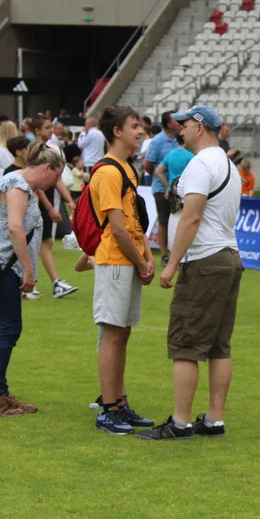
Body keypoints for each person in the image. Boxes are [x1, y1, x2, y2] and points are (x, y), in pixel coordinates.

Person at [138, 105, 242, 440]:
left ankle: (180, 422)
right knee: (219, 346)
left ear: (199, 127)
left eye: (184, 125)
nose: (179, 130)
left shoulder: (201, 164)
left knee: (185, 343)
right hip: (228, 255)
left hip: (206, 260)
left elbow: (191, 218)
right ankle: (214, 419)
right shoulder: (228, 163)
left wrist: (171, 263)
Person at [0, 142, 64, 417]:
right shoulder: (17, 185)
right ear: (46, 168)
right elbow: (15, 228)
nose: (56, 183)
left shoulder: (20, 184)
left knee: (0, 329)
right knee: (9, 329)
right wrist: (28, 270)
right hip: (2, 268)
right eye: (57, 176)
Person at [91, 105, 155, 435]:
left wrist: (147, 254)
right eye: (134, 126)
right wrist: (140, 259)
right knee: (113, 335)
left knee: (123, 334)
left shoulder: (126, 169)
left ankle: (119, 403)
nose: (140, 131)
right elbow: (116, 228)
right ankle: (108, 409)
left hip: (128, 260)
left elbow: (133, 222)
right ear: (117, 131)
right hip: (115, 262)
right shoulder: (107, 172)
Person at [32, 115, 78, 300]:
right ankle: (39, 282)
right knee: (38, 242)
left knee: (44, 242)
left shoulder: (49, 150)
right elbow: (36, 183)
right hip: (37, 201)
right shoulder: (35, 151)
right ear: (37, 131)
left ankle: (50, 283)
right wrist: (50, 207)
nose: (51, 130)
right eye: (47, 127)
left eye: (51, 127)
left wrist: (69, 200)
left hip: (45, 200)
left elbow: (56, 179)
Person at [143, 111, 183, 267]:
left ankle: (176, 254)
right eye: (175, 120)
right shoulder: (158, 141)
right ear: (168, 124)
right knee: (164, 221)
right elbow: (148, 164)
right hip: (161, 188)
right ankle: (165, 255)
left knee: (178, 221)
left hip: (179, 189)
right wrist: (163, 179)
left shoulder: (180, 139)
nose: (178, 122)